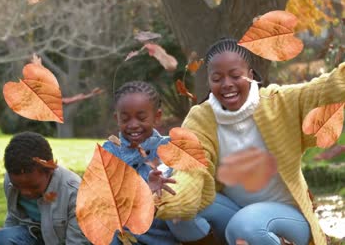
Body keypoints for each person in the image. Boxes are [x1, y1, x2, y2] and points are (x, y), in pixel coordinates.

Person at [182, 38, 345, 245]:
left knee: (245, 227)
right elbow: (189, 167)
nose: (227, 84)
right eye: (217, 78)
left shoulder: (280, 103)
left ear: (250, 75)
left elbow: (328, 88)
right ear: (209, 81)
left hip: (288, 219)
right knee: (183, 209)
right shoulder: (201, 118)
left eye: (235, 75)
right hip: (234, 211)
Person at [103, 81, 217, 245]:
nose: (133, 124)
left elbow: (187, 188)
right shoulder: (110, 152)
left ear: (157, 117)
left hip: (166, 236)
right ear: (117, 118)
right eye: (125, 119)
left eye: (141, 118)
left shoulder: (172, 147)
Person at [0, 131, 90, 245]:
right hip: (34, 236)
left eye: (34, 187)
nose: (25, 192)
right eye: (18, 186)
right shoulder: (11, 181)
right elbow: (13, 219)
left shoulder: (75, 192)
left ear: (50, 170)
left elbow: (76, 242)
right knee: (4, 238)